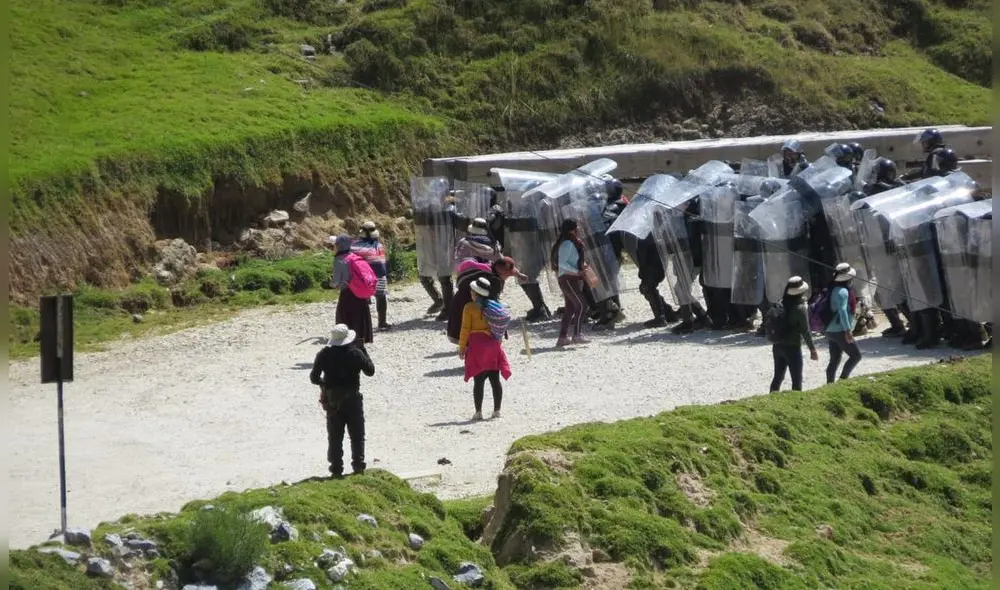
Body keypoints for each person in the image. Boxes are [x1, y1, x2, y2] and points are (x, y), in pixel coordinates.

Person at [309, 324, 375, 478]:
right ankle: (358, 466)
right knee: (357, 434)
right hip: (352, 398)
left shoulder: (324, 354)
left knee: (335, 436)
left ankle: (336, 469)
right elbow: (370, 371)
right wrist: (363, 350)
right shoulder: (355, 353)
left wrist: (325, 385)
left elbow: (314, 378)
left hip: (333, 400)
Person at [458, 277, 512, 420]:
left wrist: (462, 347)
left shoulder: (469, 307)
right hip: (493, 346)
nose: (470, 292)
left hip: (477, 347)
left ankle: (478, 412)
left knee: (479, 380)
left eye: (472, 290)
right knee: (495, 380)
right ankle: (497, 410)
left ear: (475, 293)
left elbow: (465, 329)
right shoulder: (495, 306)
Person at [447, 256, 525, 344]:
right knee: (468, 324)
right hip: (466, 302)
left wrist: (520, 275)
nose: (508, 278)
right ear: (502, 274)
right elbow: (490, 304)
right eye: (508, 275)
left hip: (460, 300)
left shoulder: (490, 268)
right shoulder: (492, 280)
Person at [768, 276, 818, 392]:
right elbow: (805, 331)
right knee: (796, 379)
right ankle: (797, 405)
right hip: (792, 348)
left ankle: (771, 400)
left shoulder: (781, 303)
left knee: (778, 377)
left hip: (777, 345)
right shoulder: (800, 308)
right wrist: (812, 349)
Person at [551, 218, 591, 346]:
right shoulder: (567, 243)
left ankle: (562, 338)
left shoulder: (572, 243)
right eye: (577, 227)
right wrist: (578, 272)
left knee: (570, 308)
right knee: (582, 305)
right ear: (572, 229)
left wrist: (582, 267)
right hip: (568, 279)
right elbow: (563, 264)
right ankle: (577, 335)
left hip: (571, 278)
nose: (578, 229)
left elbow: (572, 261)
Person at [330, 235, 374, 346]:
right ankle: (360, 342)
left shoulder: (339, 260)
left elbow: (336, 281)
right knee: (359, 319)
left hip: (347, 294)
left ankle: (347, 343)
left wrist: (329, 284)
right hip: (360, 295)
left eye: (335, 245)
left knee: (345, 319)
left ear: (339, 246)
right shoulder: (355, 256)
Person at [824, 263, 863, 383]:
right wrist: (847, 330)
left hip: (830, 330)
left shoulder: (833, 289)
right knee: (856, 356)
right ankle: (843, 380)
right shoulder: (843, 292)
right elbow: (843, 312)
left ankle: (830, 383)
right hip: (839, 330)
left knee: (835, 359)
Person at [352, 221, 391, 331]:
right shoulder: (379, 246)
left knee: (362, 299)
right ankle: (382, 322)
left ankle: (363, 325)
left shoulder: (355, 246)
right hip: (380, 276)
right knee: (381, 297)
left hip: (365, 279)